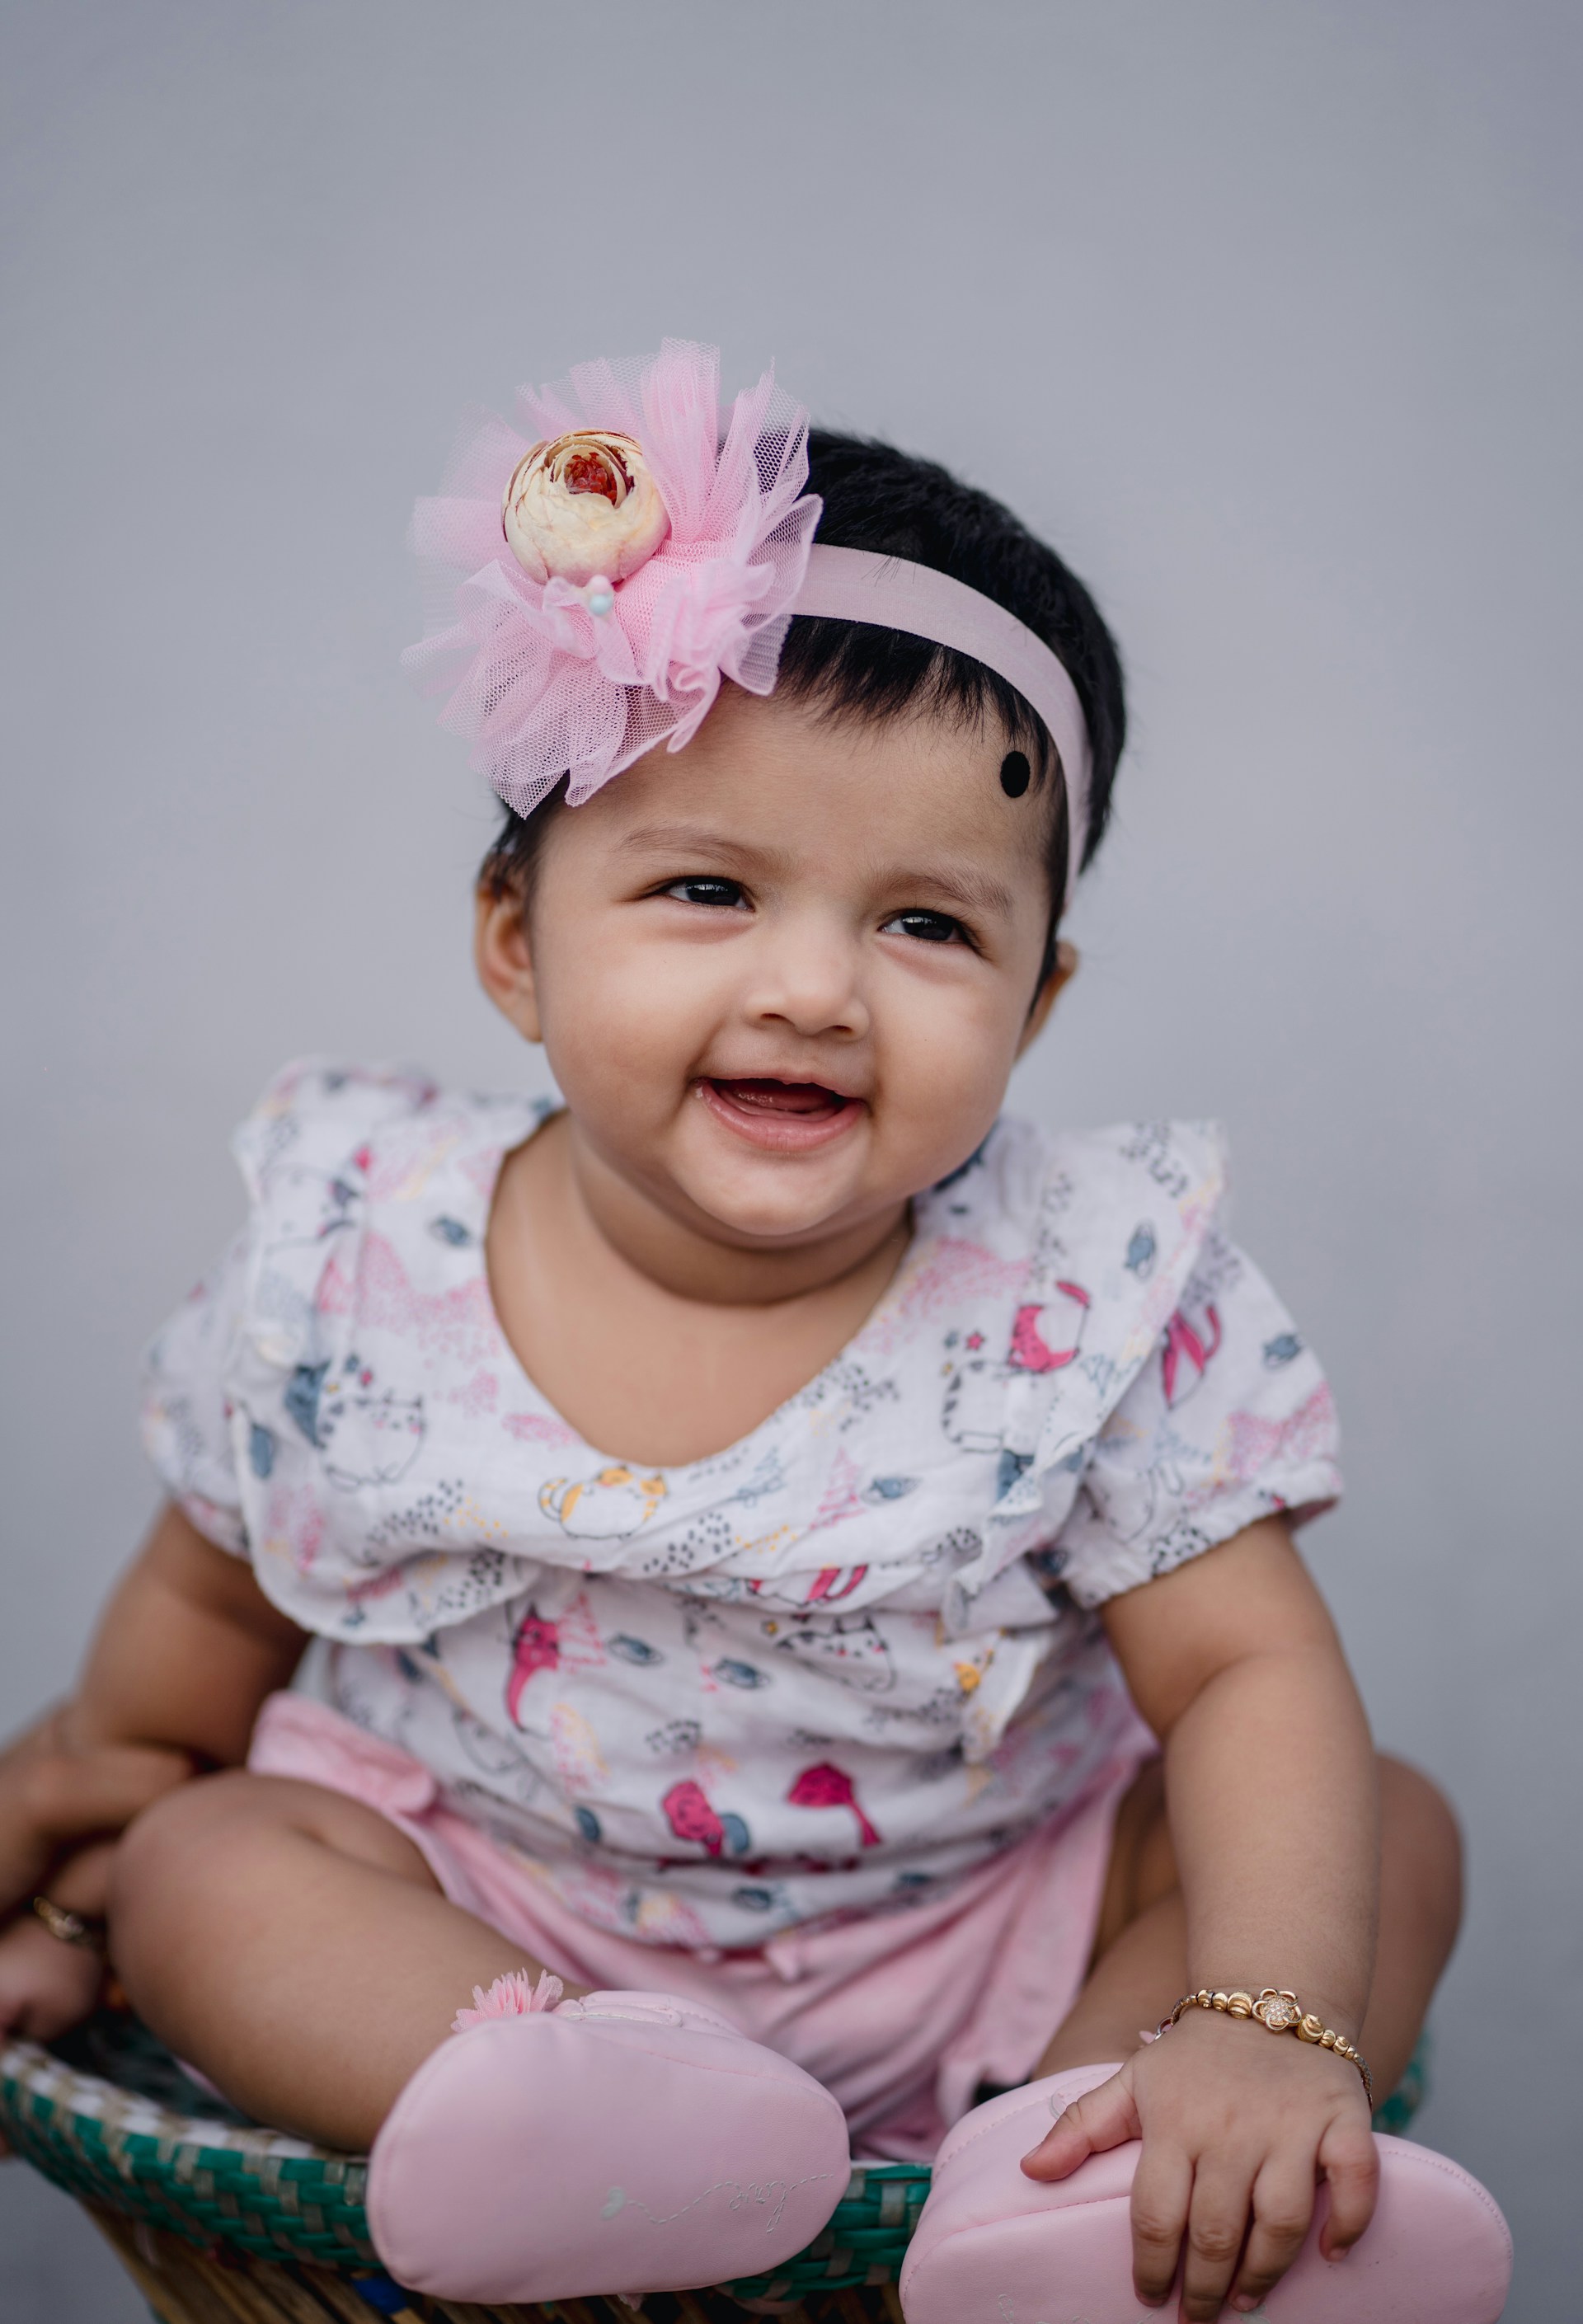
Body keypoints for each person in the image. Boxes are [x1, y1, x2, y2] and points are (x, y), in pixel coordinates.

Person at [0, 343, 1510, 2323]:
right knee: (208, 1861)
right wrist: (81, 1848)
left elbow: (1243, 1673)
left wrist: (1265, 2011)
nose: (814, 989)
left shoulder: (1082, 1293)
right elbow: (206, 1611)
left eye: (927, 926)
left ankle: (1079, 2180)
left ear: (1037, 1001)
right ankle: (560, 2114)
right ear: (518, 940)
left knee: (1379, 1823)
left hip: (989, 1932)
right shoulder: (364, 1240)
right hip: (491, 1924)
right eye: (709, 887)